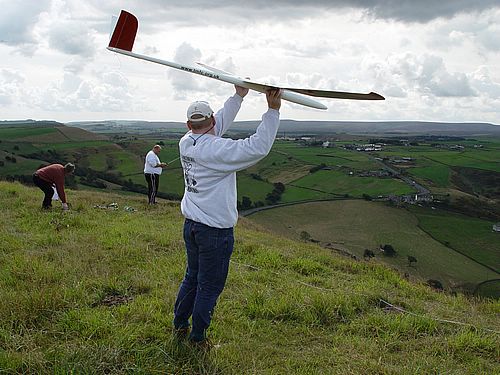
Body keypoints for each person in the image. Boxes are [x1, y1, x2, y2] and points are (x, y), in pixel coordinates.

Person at [173, 85, 282, 345]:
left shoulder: (186, 142)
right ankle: (197, 337)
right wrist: (272, 111)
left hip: (192, 226)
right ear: (210, 120)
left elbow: (216, 125)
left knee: (192, 277)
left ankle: (179, 323)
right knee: (209, 285)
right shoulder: (216, 150)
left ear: (189, 124)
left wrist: (238, 96)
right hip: (214, 231)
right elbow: (257, 147)